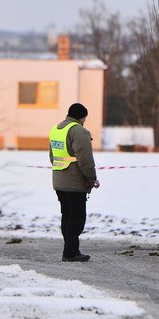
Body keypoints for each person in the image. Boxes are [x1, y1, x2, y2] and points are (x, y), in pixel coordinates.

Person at [49, 102, 100, 262]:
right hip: (75, 182)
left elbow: (52, 156)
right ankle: (70, 252)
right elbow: (85, 160)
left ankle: (70, 249)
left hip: (59, 180)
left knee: (67, 216)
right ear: (82, 117)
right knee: (77, 218)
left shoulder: (57, 129)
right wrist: (92, 178)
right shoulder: (79, 131)